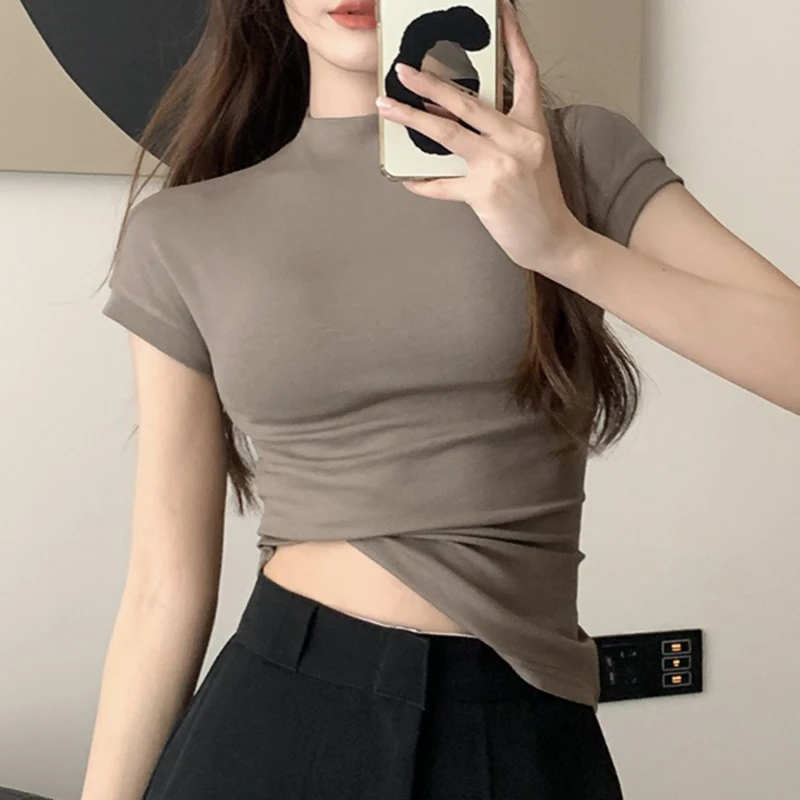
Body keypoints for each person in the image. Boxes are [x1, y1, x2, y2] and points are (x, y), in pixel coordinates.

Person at [79, 0, 800, 798]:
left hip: (519, 718)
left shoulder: (572, 156)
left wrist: (562, 246)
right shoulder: (181, 233)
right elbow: (162, 590)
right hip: (277, 714)